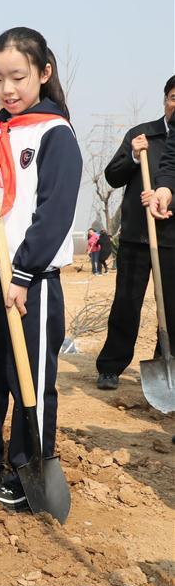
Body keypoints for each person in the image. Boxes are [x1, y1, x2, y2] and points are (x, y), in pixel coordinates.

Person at [0, 28, 81, 511]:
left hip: (31, 282)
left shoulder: (55, 134)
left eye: (18, 77)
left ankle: (29, 470)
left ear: (43, 74)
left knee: (29, 379)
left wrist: (23, 273)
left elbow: (54, 213)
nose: (8, 89)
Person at [96, 75, 175, 390]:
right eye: (172, 96)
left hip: (171, 241)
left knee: (170, 310)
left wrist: (163, 195)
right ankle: (111, 366)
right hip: (136, 238)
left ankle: (163, 368)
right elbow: (112, 177)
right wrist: (131, 156)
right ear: (164, 100)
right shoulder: (142, 136)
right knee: (126, 305)